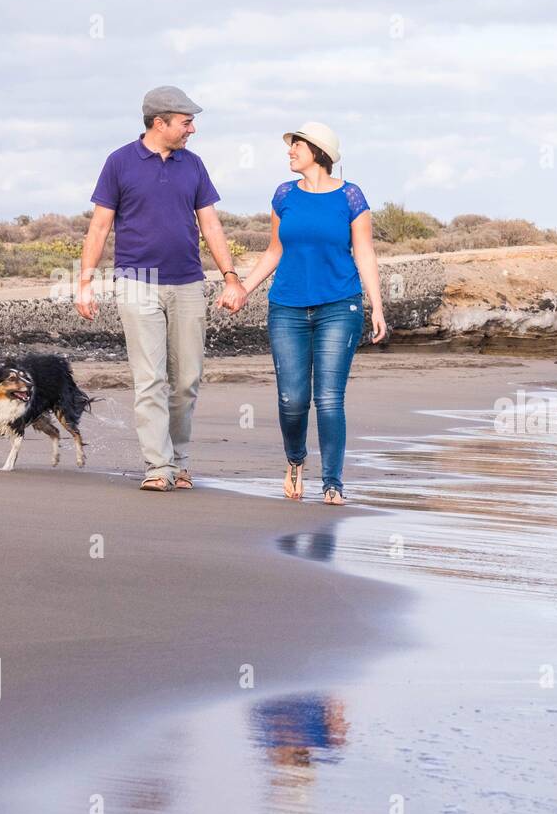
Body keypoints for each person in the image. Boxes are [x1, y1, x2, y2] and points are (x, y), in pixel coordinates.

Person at [74, 85, 246, 491]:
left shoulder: (194, 165)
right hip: (137, 281)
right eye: (186, 122)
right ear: (159, 122)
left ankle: (180, 460)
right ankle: (158, 465)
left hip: (188, 281)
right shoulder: (119, 162)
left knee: (186, 380)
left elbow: (211, 224)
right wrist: (85, 282)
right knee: (150, 379)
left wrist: (230, 276)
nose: (193, 130)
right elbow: (99, 226)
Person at [236, 122, 387, 504]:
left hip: (340, 305)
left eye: (297, 145)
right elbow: (274, 250)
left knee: (329, 398)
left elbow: (364, 252)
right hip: (287, 307)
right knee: (292, 399)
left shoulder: (351, 197)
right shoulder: (284, 195)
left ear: (318, 152)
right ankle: (295, 460)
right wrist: (241, 288)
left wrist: (377, 306)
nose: (290, 151)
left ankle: (332, 483)